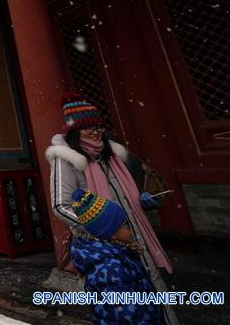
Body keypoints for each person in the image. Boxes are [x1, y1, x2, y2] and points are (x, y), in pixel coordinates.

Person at [46, 93, 176, 324]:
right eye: (88, 128)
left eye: (98, 126)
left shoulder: (112, 155)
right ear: (75, 132)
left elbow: (122, 196)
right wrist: (101, 223)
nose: (96, 132)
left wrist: (139, 202)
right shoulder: (66, 159)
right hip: (105, 246)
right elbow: (59, 205)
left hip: (134, 236)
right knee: (123, 306)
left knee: (149, 292)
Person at [69, 189, 164, 325]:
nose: (130, 229)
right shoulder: (111, 269)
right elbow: (129, 314)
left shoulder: (119, 252)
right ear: (111, 233)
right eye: (125, 225)